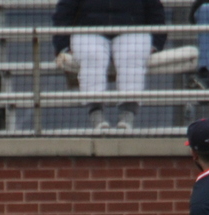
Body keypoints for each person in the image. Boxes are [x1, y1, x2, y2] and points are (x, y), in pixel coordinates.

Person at [52, 0, 167, 132]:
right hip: (89, 30)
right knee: (92, 55)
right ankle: (97, 117)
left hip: (133, 29)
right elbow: (64, 11)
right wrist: (63, 46)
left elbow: (155, 10)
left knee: (132, 54)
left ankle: (127, 117)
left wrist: (156, 43)